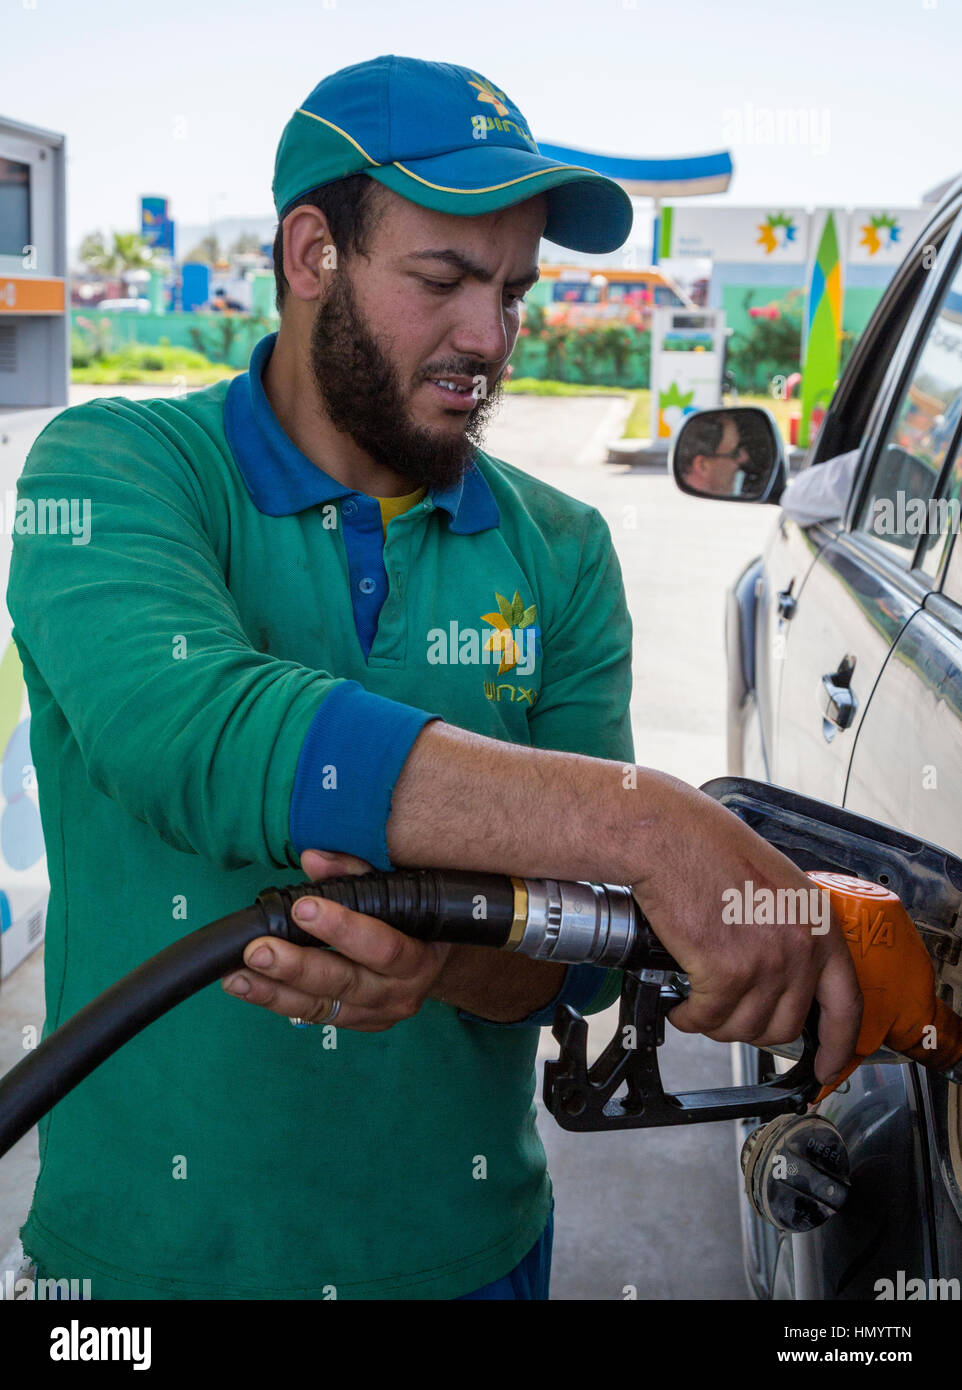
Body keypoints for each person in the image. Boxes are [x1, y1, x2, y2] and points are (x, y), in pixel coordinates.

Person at [7, 55, 860, 1301]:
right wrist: (646, 818)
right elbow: (187, 730)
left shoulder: (559, 553)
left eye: (513, 289)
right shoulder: (114, 468)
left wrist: (441, 958)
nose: (490, 336)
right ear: (311, 255)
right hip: (142, 1272)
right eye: (444, 279)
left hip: (464, 1262)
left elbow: (569, 959)